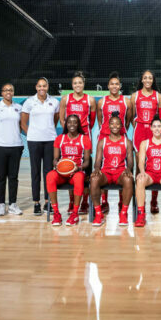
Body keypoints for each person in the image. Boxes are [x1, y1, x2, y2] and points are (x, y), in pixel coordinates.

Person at [59, 71, 96, 216]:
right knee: (69, 169)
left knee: (85, 174)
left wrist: (82, 133)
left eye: (80, 82)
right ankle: (71, 201)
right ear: (72, 84)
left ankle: (85, 202)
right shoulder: (65, 99)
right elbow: (62, 119)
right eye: (75, 83)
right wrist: (70, 132)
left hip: (85, 139)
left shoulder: (90, 100)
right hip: (70, 140)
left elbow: (91, 121)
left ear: (84, 84)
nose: (77, 85)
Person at [20, 77, 60, 215]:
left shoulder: (54, 102)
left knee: (49, 173)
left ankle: (48, 202)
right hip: (34, 141)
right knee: (35, 172)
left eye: (44, 86)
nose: (42, 88)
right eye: (39, 86)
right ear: (36, 87)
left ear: (48, 87)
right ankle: (36, 203)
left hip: (50, 141)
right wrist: (32, 133)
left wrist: (48, 131)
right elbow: (23, 123)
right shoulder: (29, 102)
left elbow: (55, 120)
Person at [96, 72, 132, 213]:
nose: (114, 86)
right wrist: (105, 130)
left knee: (121, 168)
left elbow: (128, 120)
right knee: (104, 168)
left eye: (117, 84)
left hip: (120, 136)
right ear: (108, 86)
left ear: (120, 86)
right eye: (112, 84)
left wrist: (122, 131)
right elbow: (100, 120)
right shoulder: (102, 101)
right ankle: (104, 201)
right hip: (105, 136)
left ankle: (122, 200)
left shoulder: (126, 101)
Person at [46, 114, 91, 226]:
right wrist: (57, 165)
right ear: (66, 124)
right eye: (69, 122)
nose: (72, 124)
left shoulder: (84, 139)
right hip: (62, 173)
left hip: (76, 172)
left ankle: (74, 213)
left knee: (80, 178)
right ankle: (56, 213)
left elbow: (87, 161)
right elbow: (55, 158)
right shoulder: (59, 139)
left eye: (75, 122)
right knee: (50, 176)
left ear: (78, 124)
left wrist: (79, 168)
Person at [90, 113, 134, 226]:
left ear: (121, 126)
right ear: (108, 125)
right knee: (94, 179)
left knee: (129, 180)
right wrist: (96, 169)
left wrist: (129, 169)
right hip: (106, 173)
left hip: (120, 173)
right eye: (112, 123)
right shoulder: (102, 141)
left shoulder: (127, 142)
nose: (115, 126)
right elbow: (98, 160)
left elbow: (130, 160)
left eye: (117, 123)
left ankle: (123, 213)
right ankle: (98, 213)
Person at [130, 70, 161, 214]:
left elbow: (160, 118)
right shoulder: (135, 96)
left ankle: (154, 200)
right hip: (139, 131)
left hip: (152, 131)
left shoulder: (158, 96)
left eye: (150, 77)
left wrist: (153, 128)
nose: (148, 80)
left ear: (153, 80)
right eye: (145, 77)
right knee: (140, 166)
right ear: (142, 80)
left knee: (154, 165)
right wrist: (139, 125)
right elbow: (131, 116)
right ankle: (140, 202)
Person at [135, 115, 161, 227]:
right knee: (140, 180)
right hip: (150, 174)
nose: (157, 129)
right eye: (154, 126)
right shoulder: (145, 143)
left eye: (159, 126)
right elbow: (141, 161)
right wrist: (142, 171)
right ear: (151, 128)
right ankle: (141, 214)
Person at [0, 83, 24, 216]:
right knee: (1, 176)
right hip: (0, 147)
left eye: (11, 90)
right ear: (2, 93)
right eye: (6, 90)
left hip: (16, 146)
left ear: (13, 92)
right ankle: (1, 204)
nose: (8, 92)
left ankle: (13, 204)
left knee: (13, 177)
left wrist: (13, 137)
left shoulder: (18, 108)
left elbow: (20, 126)